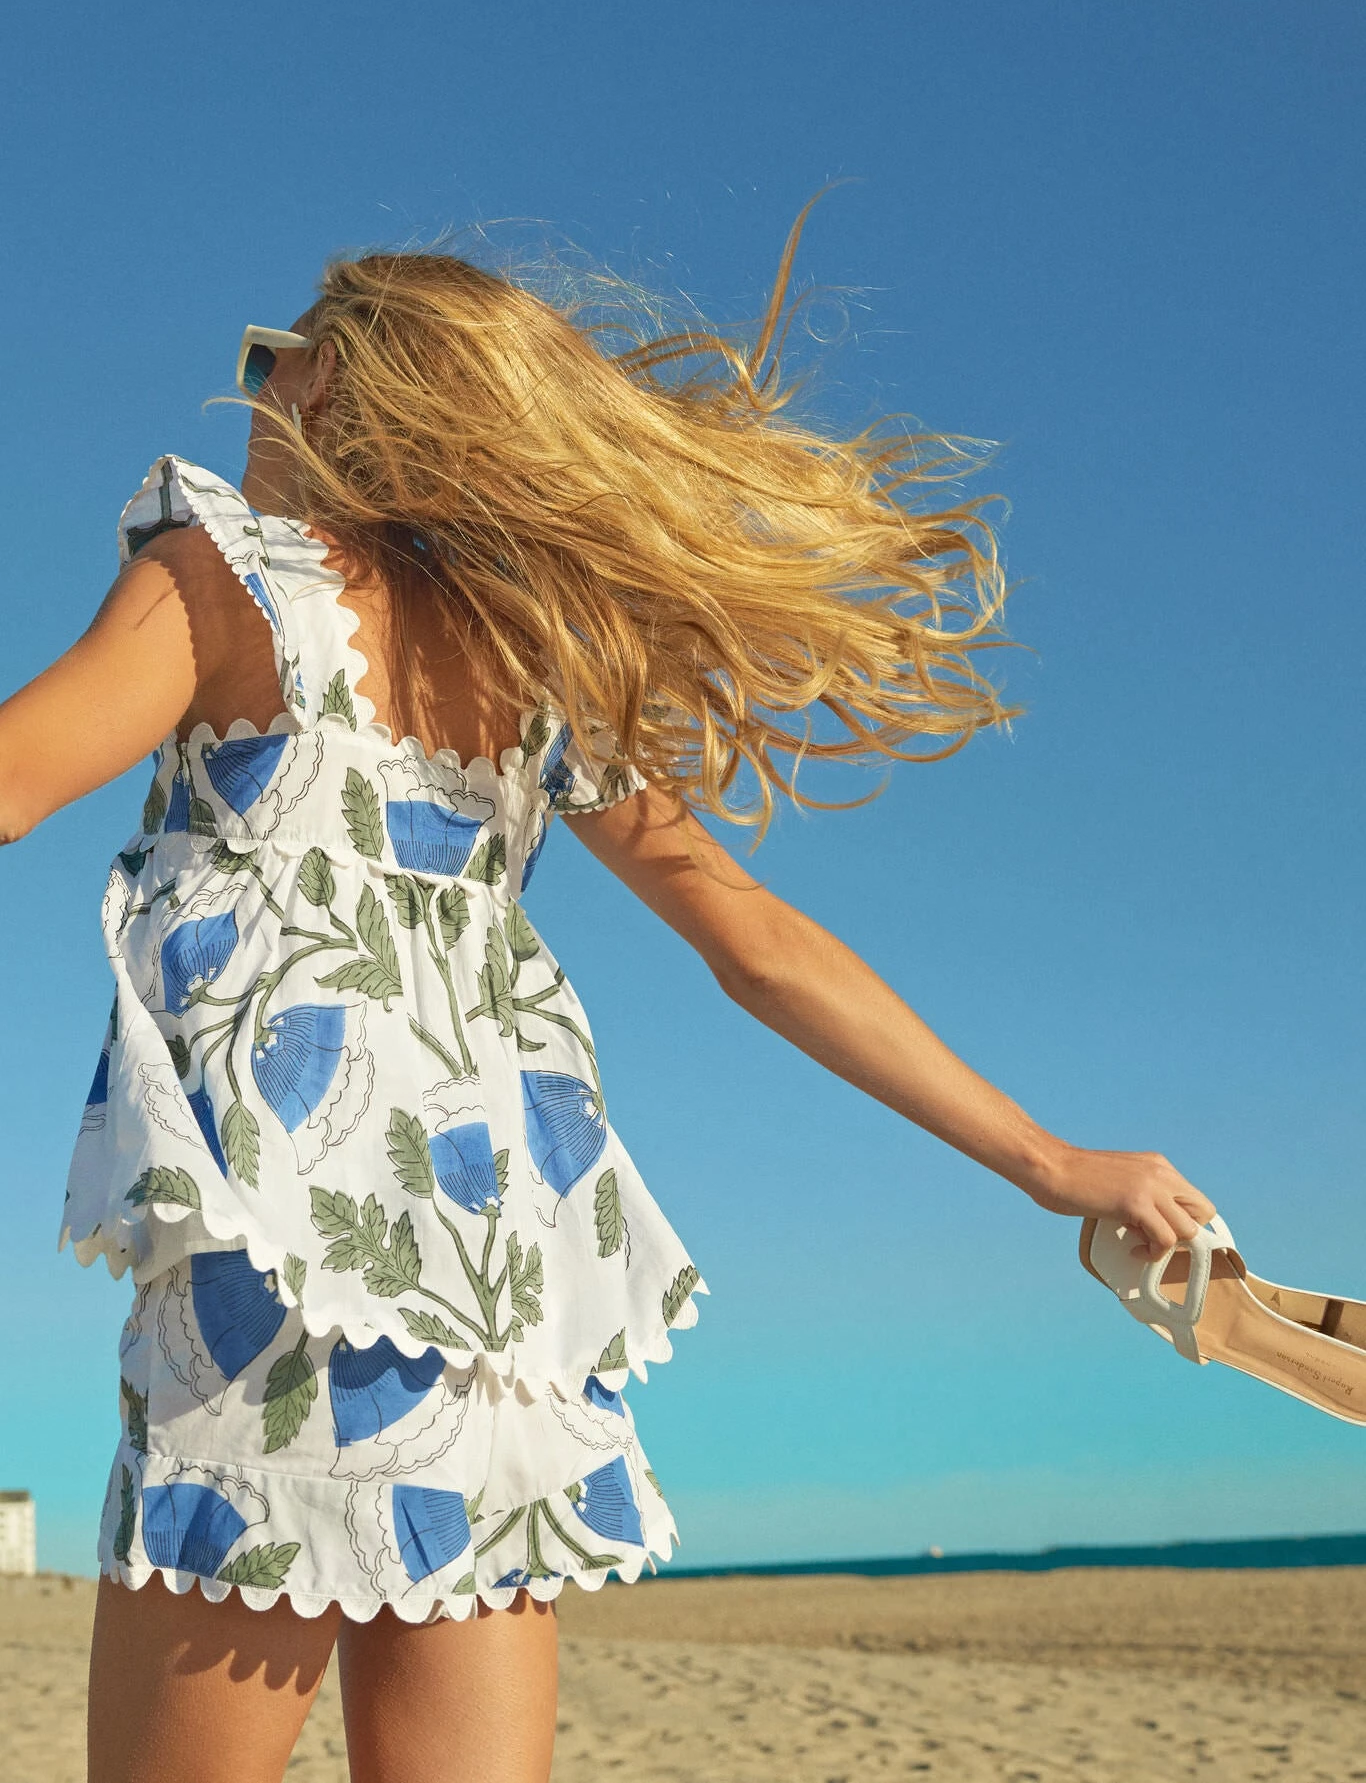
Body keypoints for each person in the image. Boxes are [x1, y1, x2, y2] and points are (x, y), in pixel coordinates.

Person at [1, 209, 1214, 1783]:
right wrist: (1054, 1163)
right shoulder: (530, 662)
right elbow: (757, 945)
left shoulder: (223, 570)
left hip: (282, 1265)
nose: (248, 396)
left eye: (268, 362)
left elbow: (17, 776)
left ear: (335, 398)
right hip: (504, 1287)